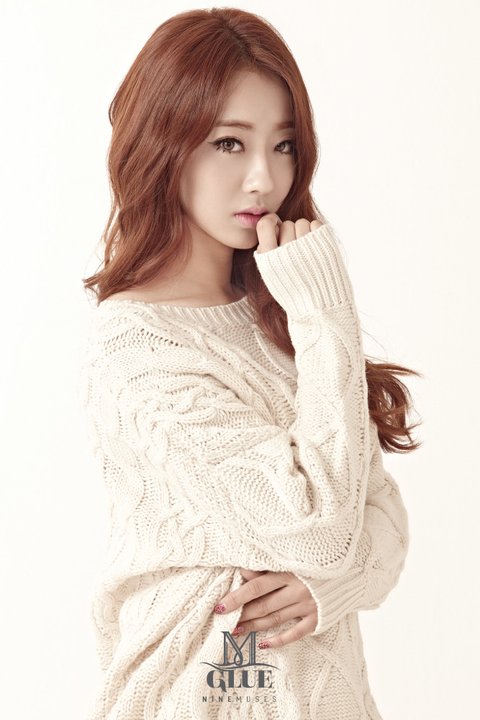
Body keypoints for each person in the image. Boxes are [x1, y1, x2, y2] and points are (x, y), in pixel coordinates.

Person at [80, 8, 422, 719]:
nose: (264, 178)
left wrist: (330, 587)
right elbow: (324, 529)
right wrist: (326, 313)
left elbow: (383, 513)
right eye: (229, 143)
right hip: (201, 696)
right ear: (163, 143)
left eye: (284, 145)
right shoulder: (138, 347)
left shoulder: (281, 313)